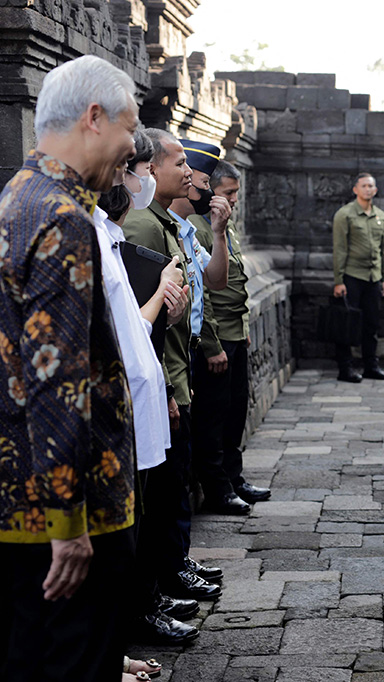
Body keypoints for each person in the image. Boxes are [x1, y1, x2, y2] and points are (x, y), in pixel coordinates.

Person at [0, 54, 138, 682]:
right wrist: (68, 524)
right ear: (94, 117)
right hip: (69, 513)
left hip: (17, 497)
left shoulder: (16, 196)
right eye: (129, 128)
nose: (132, 146)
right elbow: (57, 381)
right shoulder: (63, 218)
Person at [96, 131, 201, 650]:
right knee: (132, 520)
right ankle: (138, 613)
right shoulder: (100, 234)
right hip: (124, 402)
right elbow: (120, 332)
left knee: (146, 509)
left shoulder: (115, 235)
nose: (129, 180)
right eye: (126, 168)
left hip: (148, 388)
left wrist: (168, 305)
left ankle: (146, 602)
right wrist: (162, 294)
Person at [122, 129, 226, 600]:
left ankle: (172, 567)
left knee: (173, 482)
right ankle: (159, 584)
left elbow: (204, 289)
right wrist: (166, 388)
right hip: (163, 375)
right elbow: (143, 325)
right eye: (179, 163)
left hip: (178, 369)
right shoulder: (144, 226)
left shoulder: (167, 223)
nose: (188, 173)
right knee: (162, 490)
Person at [188, 156, 271, 509]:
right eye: (228, 192)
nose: (234, 199)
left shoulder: (226, 226)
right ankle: (217, 488)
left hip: (235, 332)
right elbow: (203, 293)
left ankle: (234, 479)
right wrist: (211, 344)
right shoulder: (199, 227)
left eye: (236, 192)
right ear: (210, 191)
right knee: (213, 415)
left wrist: (244, 328)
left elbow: (237, 282)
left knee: (236, 411)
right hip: (217, 335)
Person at [332, 172, 384, 383]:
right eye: (364, 186)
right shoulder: (345, 215)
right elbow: (339, 249)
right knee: (347, 324)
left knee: (371, 324)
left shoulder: (380, 216)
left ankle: (371, 366)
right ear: (355, 189)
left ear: (375, 190)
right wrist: (339, 281)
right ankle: (345, 368)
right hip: (352, 276)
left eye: (371, 186)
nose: (368, 189)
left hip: (373, 277)